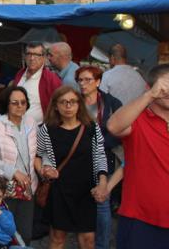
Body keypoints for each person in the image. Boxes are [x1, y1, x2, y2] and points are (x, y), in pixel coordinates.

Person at [35, 85, 108, 249]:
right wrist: (43, 171)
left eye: (73, 102)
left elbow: (100, 155)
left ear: (79, 104)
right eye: (63, 102)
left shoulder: (91, 128)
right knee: (57, 238)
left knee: (88, 239)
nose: (68, 106)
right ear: (55, 105)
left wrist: (102, 182)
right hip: (60, 190)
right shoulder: (48, 129)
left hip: (86, 190)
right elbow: (37, 156)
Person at [107, 64, 169, 248]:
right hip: (140, 218)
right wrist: (150, 96)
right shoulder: (138, 119)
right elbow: (113, 126)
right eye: (165, 86)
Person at [76, 65, 123, 249]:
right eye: (80, 80)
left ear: (98, 81)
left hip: (104, 157)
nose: (83, 84)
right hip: (78, 159)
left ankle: (101, 245)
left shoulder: (111, 103)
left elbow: (119, 130)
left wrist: (100, 143)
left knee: (102, 203)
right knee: (81, 201)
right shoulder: (73, 101)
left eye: (88, 79)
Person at [0, 86, 37, 244]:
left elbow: (39, 151)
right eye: (15, 103)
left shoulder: (31, 122)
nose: (20, 106)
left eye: (23, 102)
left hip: (28, 187)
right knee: (4, 233)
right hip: (6, 188)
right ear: (7, 104)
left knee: (25, 234)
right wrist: (13, 172)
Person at [13, 42, 62, 125]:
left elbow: (60, 105)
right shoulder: (20, 74)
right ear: (25, 56)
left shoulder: (51, 79)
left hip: (38, 129)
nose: (32, 58)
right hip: (15, 126)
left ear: (43, 58)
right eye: (29, 54)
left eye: (36, 55)